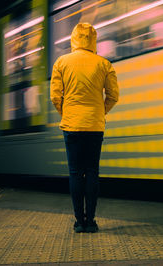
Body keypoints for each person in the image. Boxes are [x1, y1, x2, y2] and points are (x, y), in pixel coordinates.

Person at [50, 23, 119, 233]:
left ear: (73, 38)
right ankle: (91, 221)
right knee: (92, 172)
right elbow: (113, 96)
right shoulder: (104, 63)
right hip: (95, 125)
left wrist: (67, 114)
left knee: (75, 173)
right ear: (93, 39)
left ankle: (79, 221)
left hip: (72, 125)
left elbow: (55, 96)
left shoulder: (61, 62)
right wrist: (99, 113)